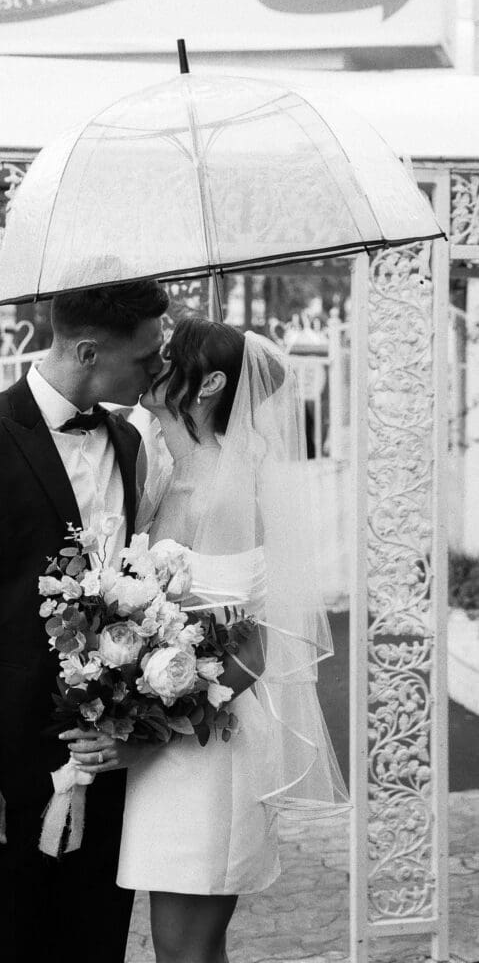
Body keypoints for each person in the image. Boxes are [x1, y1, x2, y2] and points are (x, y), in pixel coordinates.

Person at [64, 317, 349, 963]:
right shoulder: (164, 474)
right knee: (189, 948)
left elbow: (254, 648)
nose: (157, 362)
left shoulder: (228, 489)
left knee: (183, 949)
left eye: (173, 356)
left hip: (206, 746)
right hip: (172, 749)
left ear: (212, 383)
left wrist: (139, 721)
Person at [0, 278, 168, 963]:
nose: (157, 368)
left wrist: (129, 724)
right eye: (145, 357)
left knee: (92, 940)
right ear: (88, 352)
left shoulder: (127, 442)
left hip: (100, 753)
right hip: (2, 762)